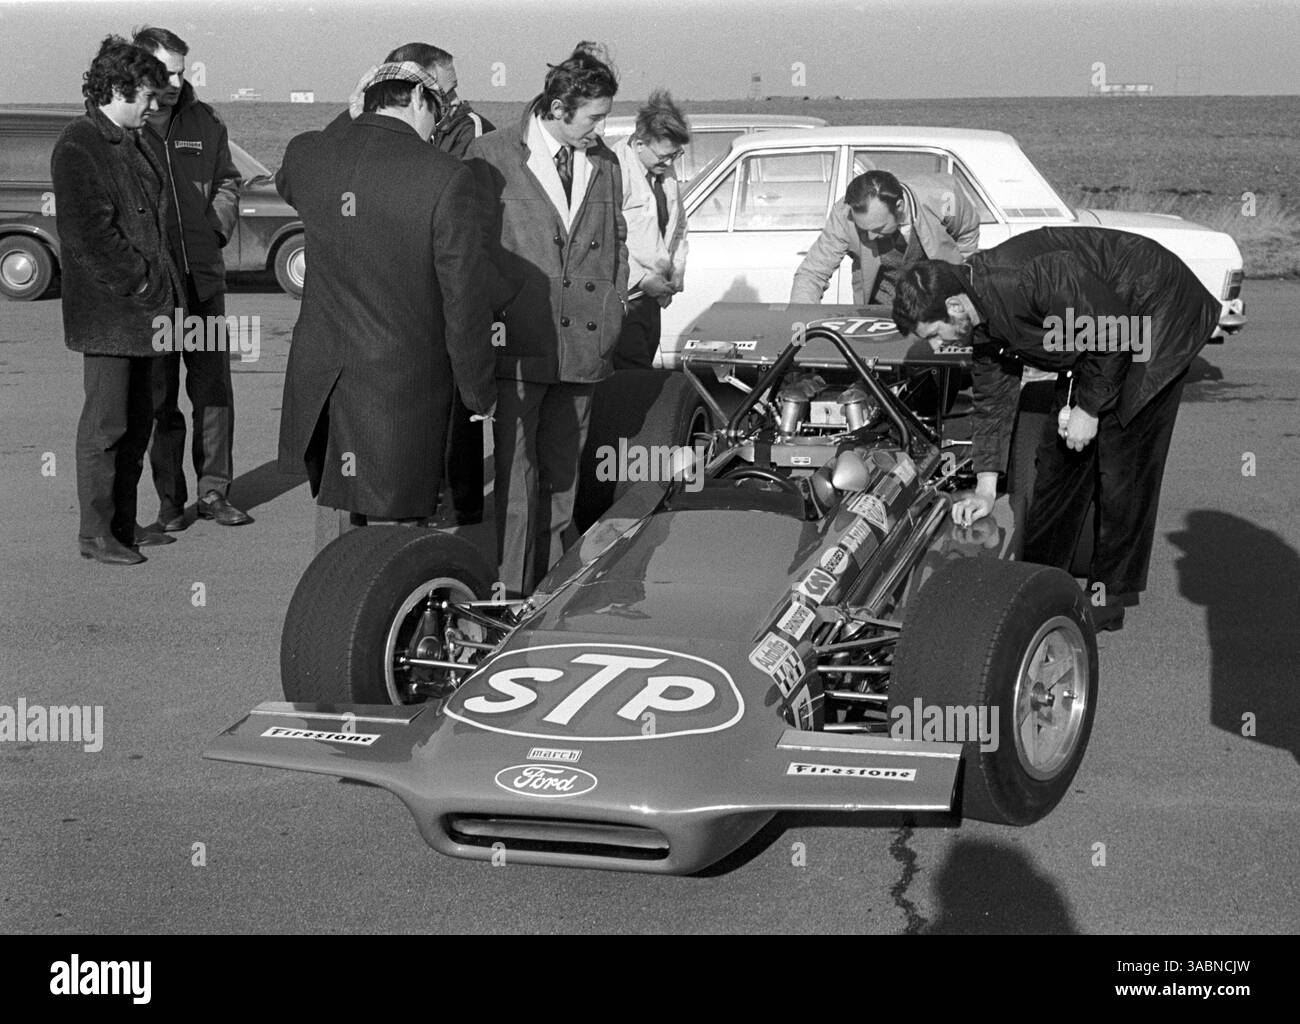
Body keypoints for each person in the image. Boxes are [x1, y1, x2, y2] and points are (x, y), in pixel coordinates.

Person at [891, 228, 1221, 630]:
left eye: (933, 334)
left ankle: (1106, 598)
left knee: (1123, 457)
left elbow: (1115, 330)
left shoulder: (1029, 278)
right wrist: (985, 487)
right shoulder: (976, 313)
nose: (937, 345)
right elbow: (993, 399)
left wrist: (1089, 408)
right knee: (1058, 455)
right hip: (1099, 326)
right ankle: (1039, 580)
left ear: (954, 306)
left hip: (1154, 309)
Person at [275, 57, 497, 531]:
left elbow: (289, 179)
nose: (435, 127)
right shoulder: (445, 176)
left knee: (338, 522)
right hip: (402, 391)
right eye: (437, 111)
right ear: (418, 98)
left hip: (323, 383)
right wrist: (478, 392)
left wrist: (351, 114)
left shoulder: (308, 155)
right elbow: (463, 300)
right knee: (395, 539)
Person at [465, 42, 628, 597]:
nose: (602, 130)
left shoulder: (606, 163)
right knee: (516, 478)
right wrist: (500, 307)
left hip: (583, 344)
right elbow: (469, 247)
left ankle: (551, 592)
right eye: (594, 118)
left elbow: (617, 239)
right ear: (558, 108)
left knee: (564, 476)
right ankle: (509, 593)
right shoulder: (489, 155)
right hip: (519, 339)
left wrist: (613, 306)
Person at [52, 36, 183, 564]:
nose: (155, 105)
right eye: (148, 95)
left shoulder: (137, 139)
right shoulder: (79, 144)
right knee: (106, 426)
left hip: (146, 314)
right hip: (110, 315)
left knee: (138, 423)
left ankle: (123, 526)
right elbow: (90, 237)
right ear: (118, 89)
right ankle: (96, 534)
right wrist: (144, 282)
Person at [132, 26, 250, 531]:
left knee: (213, 391)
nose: (178, 81)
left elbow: (228, 181)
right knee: (160, 398)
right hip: (156, 290)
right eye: (167, 72)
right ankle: (169, 500)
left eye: (182, 71)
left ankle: (214, 491)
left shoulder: (206, 121)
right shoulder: (127, 126)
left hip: (202, 282)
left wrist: (215, 230)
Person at [790, 169, 979, 307]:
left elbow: (966, 233)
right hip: (879, 311)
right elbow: (812, 273)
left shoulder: (945, 198)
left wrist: (958, 279)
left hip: (939, 306)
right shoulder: (844, 215)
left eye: (878, 228)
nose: (870, 236)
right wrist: (801, 325)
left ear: (899, 207)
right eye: (863, 229)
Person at [608, 89, 690, 370]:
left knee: (644, 368)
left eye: (675, 155)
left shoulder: (663, 170)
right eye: (664, 156)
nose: (669, 163)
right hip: (624, 299)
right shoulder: (613, 170)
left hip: (651, 300)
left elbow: (679, 225)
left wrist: (676, 269)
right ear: (640, 143)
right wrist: (642, 279)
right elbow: (605, 236)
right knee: (631, 377)